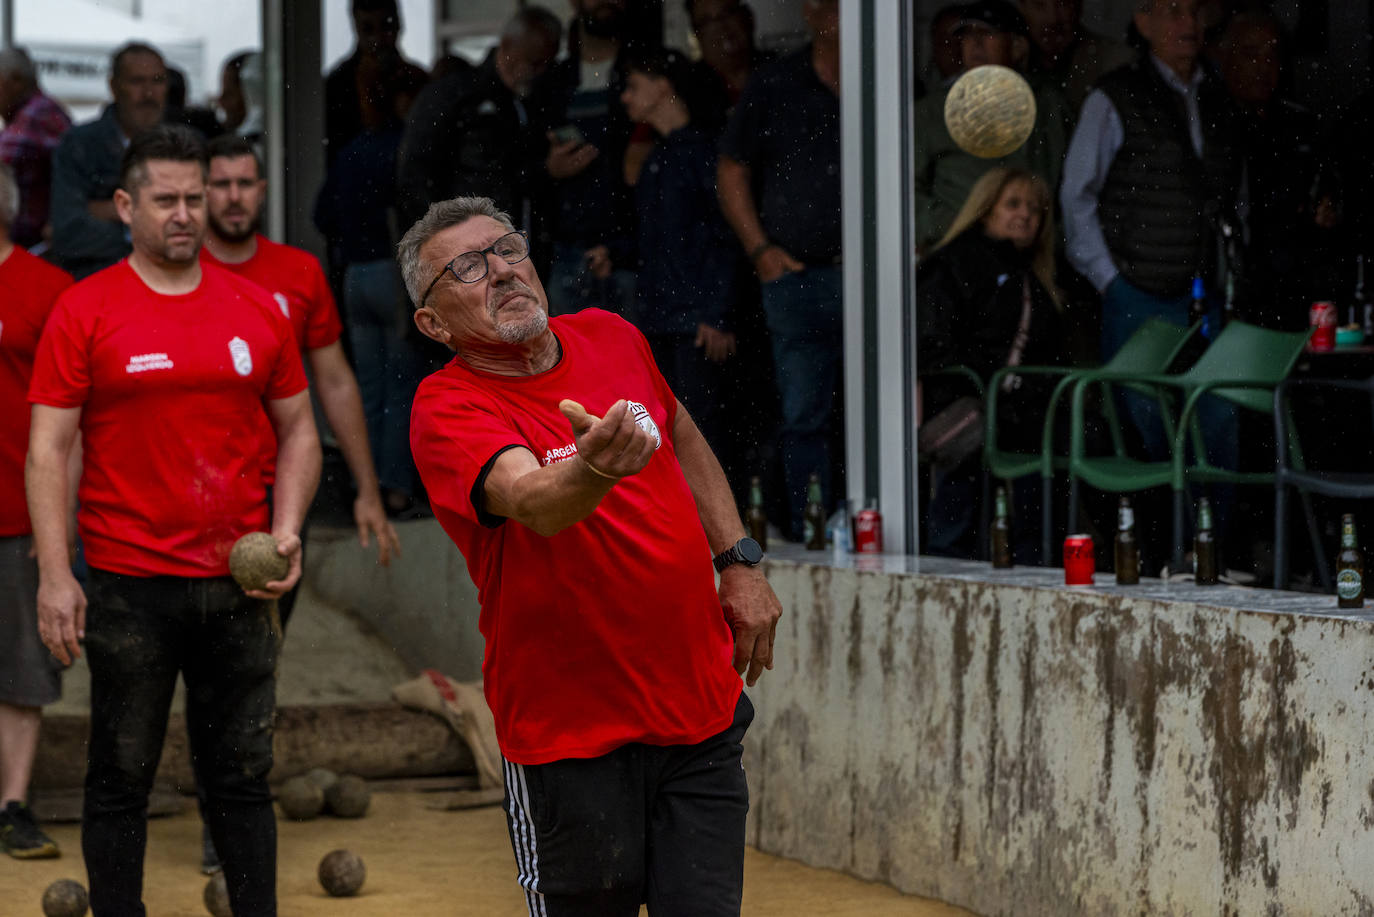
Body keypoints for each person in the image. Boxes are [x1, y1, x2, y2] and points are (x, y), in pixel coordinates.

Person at [401, 194, 781, 916]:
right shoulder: (445, 406)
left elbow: (685, 434)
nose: (503, 271)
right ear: (433, 322)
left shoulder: (611, 333)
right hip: (567, 738)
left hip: (698, 712)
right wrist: (596, 467)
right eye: (469, 268)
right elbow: (535, 501)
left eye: (509, 249)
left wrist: (738, 559)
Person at [26, 124, 320, 916]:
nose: (186, 213)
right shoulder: (83, 310)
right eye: (166, 199)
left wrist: (287, 525)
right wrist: (57, 574)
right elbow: (48, 449)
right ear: (126, 205)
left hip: (239, 587)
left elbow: (299, 429)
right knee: (120, 773)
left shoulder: (260, 308)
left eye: (196, 197)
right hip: (128, 584)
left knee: (239, 775)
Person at [202, 133, 400, 609]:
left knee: (267, 636)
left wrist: (367, 491)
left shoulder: (299, 272)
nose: (234, 196)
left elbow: (334, 382)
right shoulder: (174, 273)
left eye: (244, 183)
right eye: (221, 184)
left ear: (263, 189)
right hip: (198, 485)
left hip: (280, 484)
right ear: (201, 192)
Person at [1060, 0, 1240, 455]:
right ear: (1144, 22)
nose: (1188, 23)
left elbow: (1231, 192)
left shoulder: (1215, 95)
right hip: (1137, 291)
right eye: (1173, 12)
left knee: (1218, 420)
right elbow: (1076, 194)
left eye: (1195, 12)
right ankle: (1156, 529)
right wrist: (1110, 280)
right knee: (1144, 430)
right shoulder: (1115, 95)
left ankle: (1208, 529)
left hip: (1203, 293)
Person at [719, 0, 841, 541]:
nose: (825, 8)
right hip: (797, 277)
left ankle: (875, 529)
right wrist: (760, 249)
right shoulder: (776, 82)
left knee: (885, 414)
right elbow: (731, 169)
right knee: (804, 413)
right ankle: (815, 529)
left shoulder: (885, 72)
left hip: (879, 278)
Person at [917, 167, 1066, 561]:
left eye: (1035, 209)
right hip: (969, 410)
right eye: (1013, 204)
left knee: (1034, 519)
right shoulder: (953, 264)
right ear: (985, 210)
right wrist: (989, 384)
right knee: (956, 526)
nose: (1026, 215)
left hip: (1023, 418)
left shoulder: (1037, 275)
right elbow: (933, 345)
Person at [0, 163, 73, 860]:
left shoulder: (49, 290)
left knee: (22, 667)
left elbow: (72, 424)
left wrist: (58, 524)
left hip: (17, 512)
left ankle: (12, 804)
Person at [621, 49, 739, 458]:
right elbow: (657, 239)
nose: (625, 97)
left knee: (704, 431)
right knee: (670, 430)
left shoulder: (702, 153)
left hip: (695, 324)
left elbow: (725, 235)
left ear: (663, 86)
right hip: (662, 318)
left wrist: (717, 312)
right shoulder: (660, 157)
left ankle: (721, 520)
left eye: (634, 85)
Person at [1215, 10, 1340, 330]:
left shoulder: (1300, 124)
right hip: (1235, 281)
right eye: (1251, 54)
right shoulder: (1213, 120)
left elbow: (1327, 190)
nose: (1263, 66)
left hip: (1294, 283)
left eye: (1272, 55)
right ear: (1225, 58)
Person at [913, 0, 1071, 251]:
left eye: (987, 33)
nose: (975, 43)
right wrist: (962, 225)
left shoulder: (1047, 105)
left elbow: (1063, 184)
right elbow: (908, 191)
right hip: (957, 249)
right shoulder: (931, 111)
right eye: (967, 35)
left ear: (1018, 46)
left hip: (1029, 249)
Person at [397, 7, 562, 230]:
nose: (538, 72)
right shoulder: (456, 95)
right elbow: (415, 174)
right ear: (506, 45)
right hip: (470, 244)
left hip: (513, 246)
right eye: (533, 62)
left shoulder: (534, 101)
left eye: (546, 64)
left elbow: (511, 178)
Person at [527, 0, 641, 317]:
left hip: (634, 254)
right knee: (571, 363)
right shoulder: (550, 84)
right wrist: (549, 169)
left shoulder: (648, 72)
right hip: (565, 253)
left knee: (634, 363)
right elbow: (516, 167)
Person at [49, 42, 168, 279]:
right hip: (97, 280)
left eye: (157, 81)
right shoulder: (79, 144)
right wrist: (155, 228)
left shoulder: (183, 144)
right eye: (137, 81)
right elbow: (68, 232)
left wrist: (114, 212)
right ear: (114, 86)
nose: (148, 93)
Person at [322, 0, 428, 168]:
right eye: (368, 29)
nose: (378, 39)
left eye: (386, 26)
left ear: (398, 25)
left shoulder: (418, 80)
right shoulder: (337, 88)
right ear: (357, 29)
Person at [0, 48, 72, 252]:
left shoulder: (36, 114)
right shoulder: (38, 110)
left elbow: (4, 160)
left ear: (15, 81)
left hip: (35, 244)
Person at [1018, 0, 1133, 116]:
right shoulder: (1009, 63)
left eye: (1063, 4)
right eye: (1039, 5)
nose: (1053, 18)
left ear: (1079, 6)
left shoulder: (1117, 60)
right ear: (1022, 8)